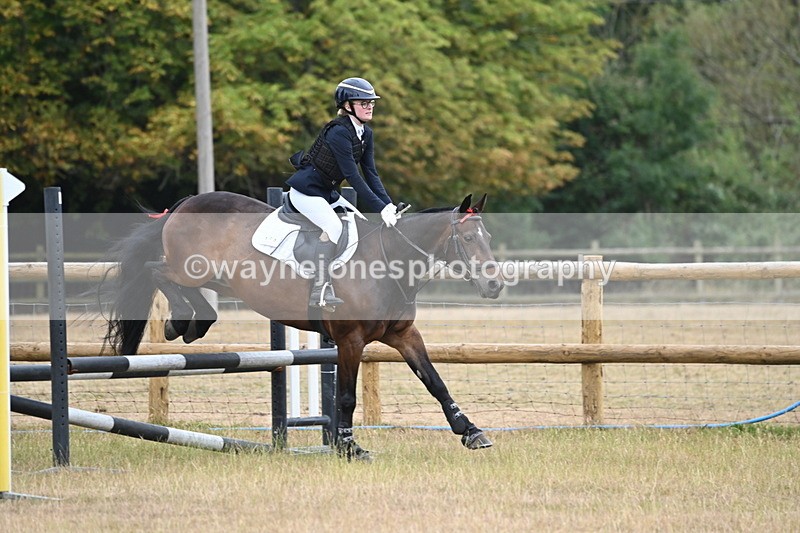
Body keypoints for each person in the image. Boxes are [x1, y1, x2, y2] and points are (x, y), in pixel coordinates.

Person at [286, 77, 399, 310]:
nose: (369, 106)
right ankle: (320, 289)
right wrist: (379, 207)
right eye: (363, 102)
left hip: (327, 193)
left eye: (371, 103)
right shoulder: (338, 132)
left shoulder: (366, 133)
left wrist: (388, 205)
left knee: (361, 223)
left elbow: (371, 172)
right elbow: (353, 176)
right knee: (335, 228)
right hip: (306, 192)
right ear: (347, 106)